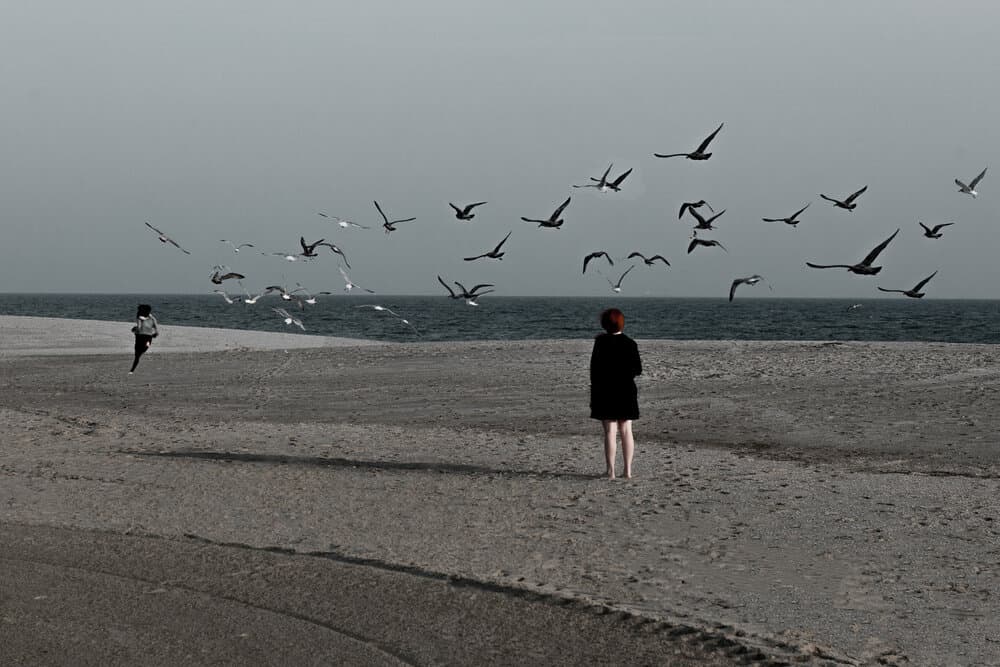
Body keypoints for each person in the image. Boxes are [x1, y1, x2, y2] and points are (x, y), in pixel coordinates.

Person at [590, 308, 642, 479]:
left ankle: (610, 471)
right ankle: (627, 471)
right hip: (626, 389)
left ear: (605, 324)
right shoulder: (630, 343)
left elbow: (594, 370)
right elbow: (637, 370)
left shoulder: (600, 343)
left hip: (605, 390)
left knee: (610, 431)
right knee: (626, 430)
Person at [129, 304, 158, 374]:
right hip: (145, 338)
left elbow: (139, 327)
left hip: (142, 338)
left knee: (138, 355)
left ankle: (131, 370)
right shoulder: (150, 317)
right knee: (140, 353)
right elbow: (155, 328)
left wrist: (135, 329)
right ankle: (131, 370)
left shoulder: (142, 317)